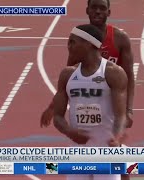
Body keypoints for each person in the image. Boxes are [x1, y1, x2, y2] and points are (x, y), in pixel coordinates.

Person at [41, 0, 135, 129]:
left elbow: (129, 76)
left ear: (109, 12)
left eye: (102, 8)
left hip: (111, 102)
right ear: (87, 10)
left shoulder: (120, 38)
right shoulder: (78, 40)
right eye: (94, 7)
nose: (97, 11)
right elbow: (67, 80)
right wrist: (53, 108)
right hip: (86, 101)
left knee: (111, 141)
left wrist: (128, 110)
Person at [53, 24, 127, 180]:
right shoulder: (67, 75)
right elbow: (58, 117)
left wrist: (117, 137)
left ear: (88, 43)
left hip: (105, 150)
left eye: (73, 42)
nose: (69, 46)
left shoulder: (113, 73)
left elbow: (121, 115)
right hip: (78, 152)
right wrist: (70, 132)